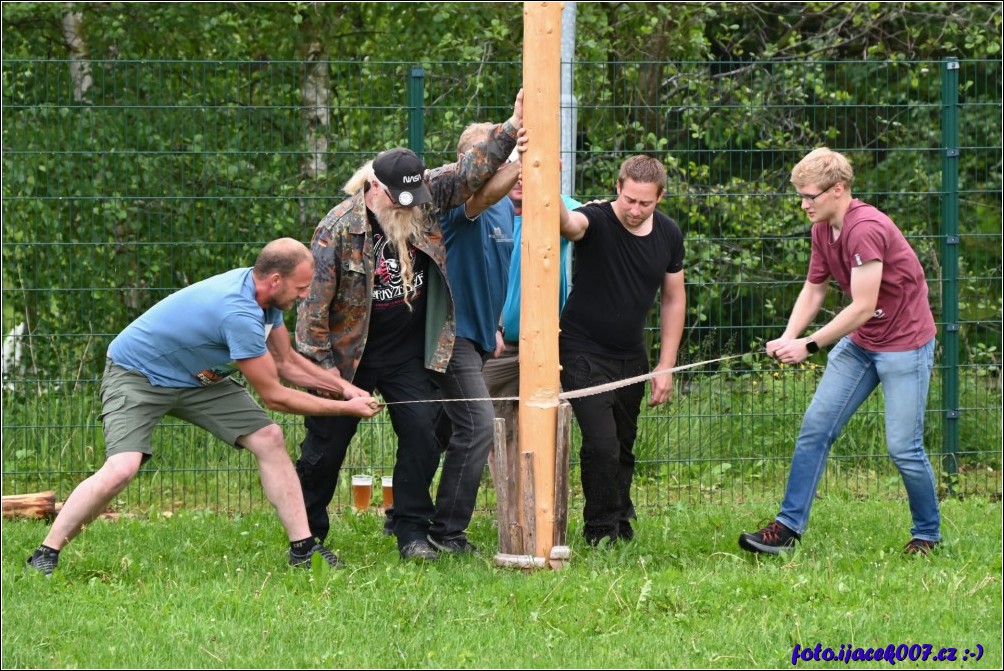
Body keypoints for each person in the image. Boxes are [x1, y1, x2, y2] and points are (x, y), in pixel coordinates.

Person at [25, 238, 383, 576]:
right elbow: (275, 396)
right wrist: (347, 409)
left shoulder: (266, 300)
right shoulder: (238, 312)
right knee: (122, 468)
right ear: (275, 280)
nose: (305, 296)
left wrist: (345, 388)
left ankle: (303, 550)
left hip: (196, 379)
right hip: (138, 374)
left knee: (269, 438)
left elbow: (287, 361)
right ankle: (45, 554)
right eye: (301, 288)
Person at [294, 90, 524, 562]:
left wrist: (513, 126)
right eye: (397, 200)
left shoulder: (425, 196)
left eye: (412, 199)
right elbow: (311, 313)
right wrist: (326, 377)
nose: (407, 208)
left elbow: (469, 172)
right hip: (347, 358)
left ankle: (412, 533)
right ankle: (309, 535)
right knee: (324, 448)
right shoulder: (336, 230)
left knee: (422, 435)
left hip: (405, 351)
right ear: (373, 187)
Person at [738, 147, 941, 556]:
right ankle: (786, 529)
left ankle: (927, 534)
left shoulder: (865, 227)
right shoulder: (821, 229)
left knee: (903, 447)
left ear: (839, 189)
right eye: (800, 195)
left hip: (905, 344)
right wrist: (789, 336)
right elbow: (815, 288)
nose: (803, 204)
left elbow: (863, 306)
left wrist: (810, 344)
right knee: (816, 428)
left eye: (809, 196)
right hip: (862, 343)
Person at [558, 155, 686, 546]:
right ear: (618, 187)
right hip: (581, 348)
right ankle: (600, 531)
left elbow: (673, 299)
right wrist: (550, 189)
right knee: (602, 444)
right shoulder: (594, 218)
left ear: (660, 197)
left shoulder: (668, 234)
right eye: (629, 199)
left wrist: (665, 366)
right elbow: (568, 224)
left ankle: (619, 519)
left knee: (624, 444)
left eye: (644, 203)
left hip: (631, 355)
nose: (634, 209)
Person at [426, 123, 522, 554]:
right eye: (493, 159)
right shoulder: (460, 200)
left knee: (436, 431)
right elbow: (484, 190)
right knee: (478, 426)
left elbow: (492, 270)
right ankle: (446, 533)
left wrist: (497, 326)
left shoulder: (506, 208)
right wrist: (518, 146)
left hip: (483, 336)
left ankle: (403, 515)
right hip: (452, 337)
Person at [480, 177, 582, 464]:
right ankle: (507, 509)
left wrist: (549, 184)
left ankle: (542, 508)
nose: (522, 179)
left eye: (529, 170)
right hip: (495, 347)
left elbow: (585, 220)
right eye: (513, 172)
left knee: (548, 433)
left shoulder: (559, 207)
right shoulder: (482, 211)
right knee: (492, 434)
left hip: (548, 347)